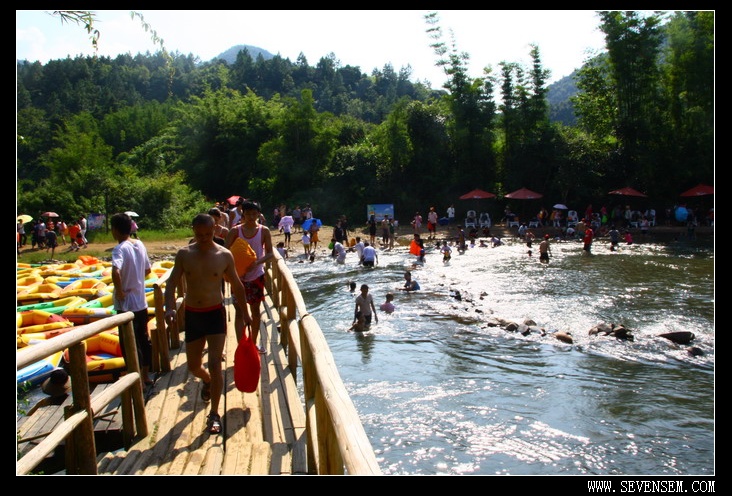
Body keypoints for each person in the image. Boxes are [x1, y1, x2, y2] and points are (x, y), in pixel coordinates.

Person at [165, 213, 251, 435]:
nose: (203, 238)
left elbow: (237, 285)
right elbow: (172, 282)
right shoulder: (184, 254)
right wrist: (169, 308)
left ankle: (214, 414)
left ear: (215, 230)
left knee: (214, 363)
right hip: (193, 314)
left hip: (215, 314)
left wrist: (245, 312)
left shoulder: (224, 255)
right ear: (193, 231)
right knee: (194, 366)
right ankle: (207, 381)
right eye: (199, 234)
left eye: (207, 234)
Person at [110, 212, 154, 386]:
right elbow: (148, 270)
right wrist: (136, 278)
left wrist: (120, 291)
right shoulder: (139, 244)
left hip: (126, 304)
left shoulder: (120, 249)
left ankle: (136, 380)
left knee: (129, 344)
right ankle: (145, 376)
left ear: (115, 230)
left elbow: (115, 271)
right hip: (141, 301)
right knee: (143, 339)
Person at [224, 200, 274, 350]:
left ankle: (253, 343)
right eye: (248, 214)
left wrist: (257, 262)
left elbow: (270, 253)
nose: (251, 217)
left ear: (258, 214)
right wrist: (228, 271)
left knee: (255, 311)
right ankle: (241, 345)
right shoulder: (235, 231)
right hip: (238, 277)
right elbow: (225, 251)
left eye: (254, 214)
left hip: (256, 275)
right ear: (243, 214)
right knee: (239, 311)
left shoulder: (264, 231)